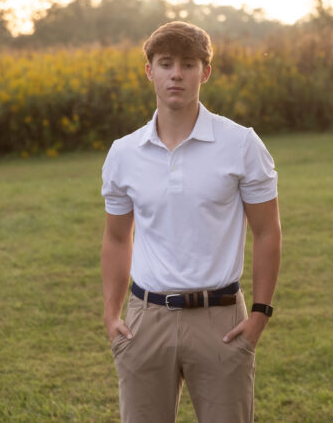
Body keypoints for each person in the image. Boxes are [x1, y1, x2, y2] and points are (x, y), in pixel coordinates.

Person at [101, 21, 282, 423]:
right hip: (145, 320)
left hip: (221, 320)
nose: (177, 74)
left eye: (188, 64)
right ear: (150, 70)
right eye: (166, 64)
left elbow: (267, 231)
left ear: (206, 71)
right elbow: (116, 238)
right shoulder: (124, 153)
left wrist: (259, 314)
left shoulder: (241, 144)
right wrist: (112, 315)